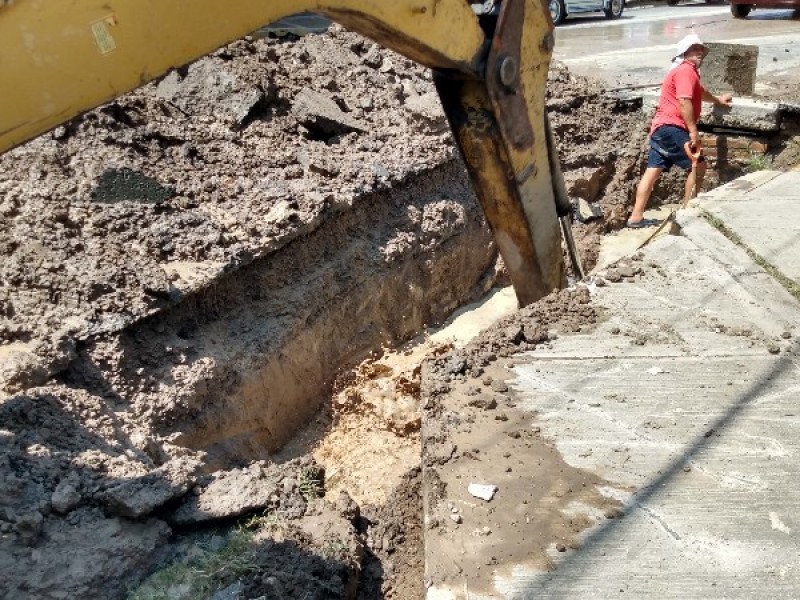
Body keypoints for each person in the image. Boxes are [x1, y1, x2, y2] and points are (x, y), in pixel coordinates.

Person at [627, 33, 733, 228]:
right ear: (684, 52)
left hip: (660, 129)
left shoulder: (687, 72)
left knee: (652, 172)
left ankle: (636, 217)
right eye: (695, 49)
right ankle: (688, 213)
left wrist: (718, 100)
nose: (699, 52)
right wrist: (693, 131)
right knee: (698, 165)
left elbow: (700, 92)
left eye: (701, 49)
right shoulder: (686, 71)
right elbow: (684, 101)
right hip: (671, 127)